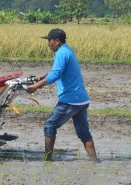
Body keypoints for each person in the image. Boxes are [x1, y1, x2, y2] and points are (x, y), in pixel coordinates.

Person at [26, 28, 99, 163]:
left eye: (49, 40)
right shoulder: (68, 51)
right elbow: (57, 71)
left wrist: (36, 86)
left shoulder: (61, 53)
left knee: (50, 125)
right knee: (83, 133)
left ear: (57, 41)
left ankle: (47, 160)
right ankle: (94, 162)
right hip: (81, 99)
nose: (48, 43)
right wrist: (43, 76)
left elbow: (56, 75)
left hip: (70, 100)